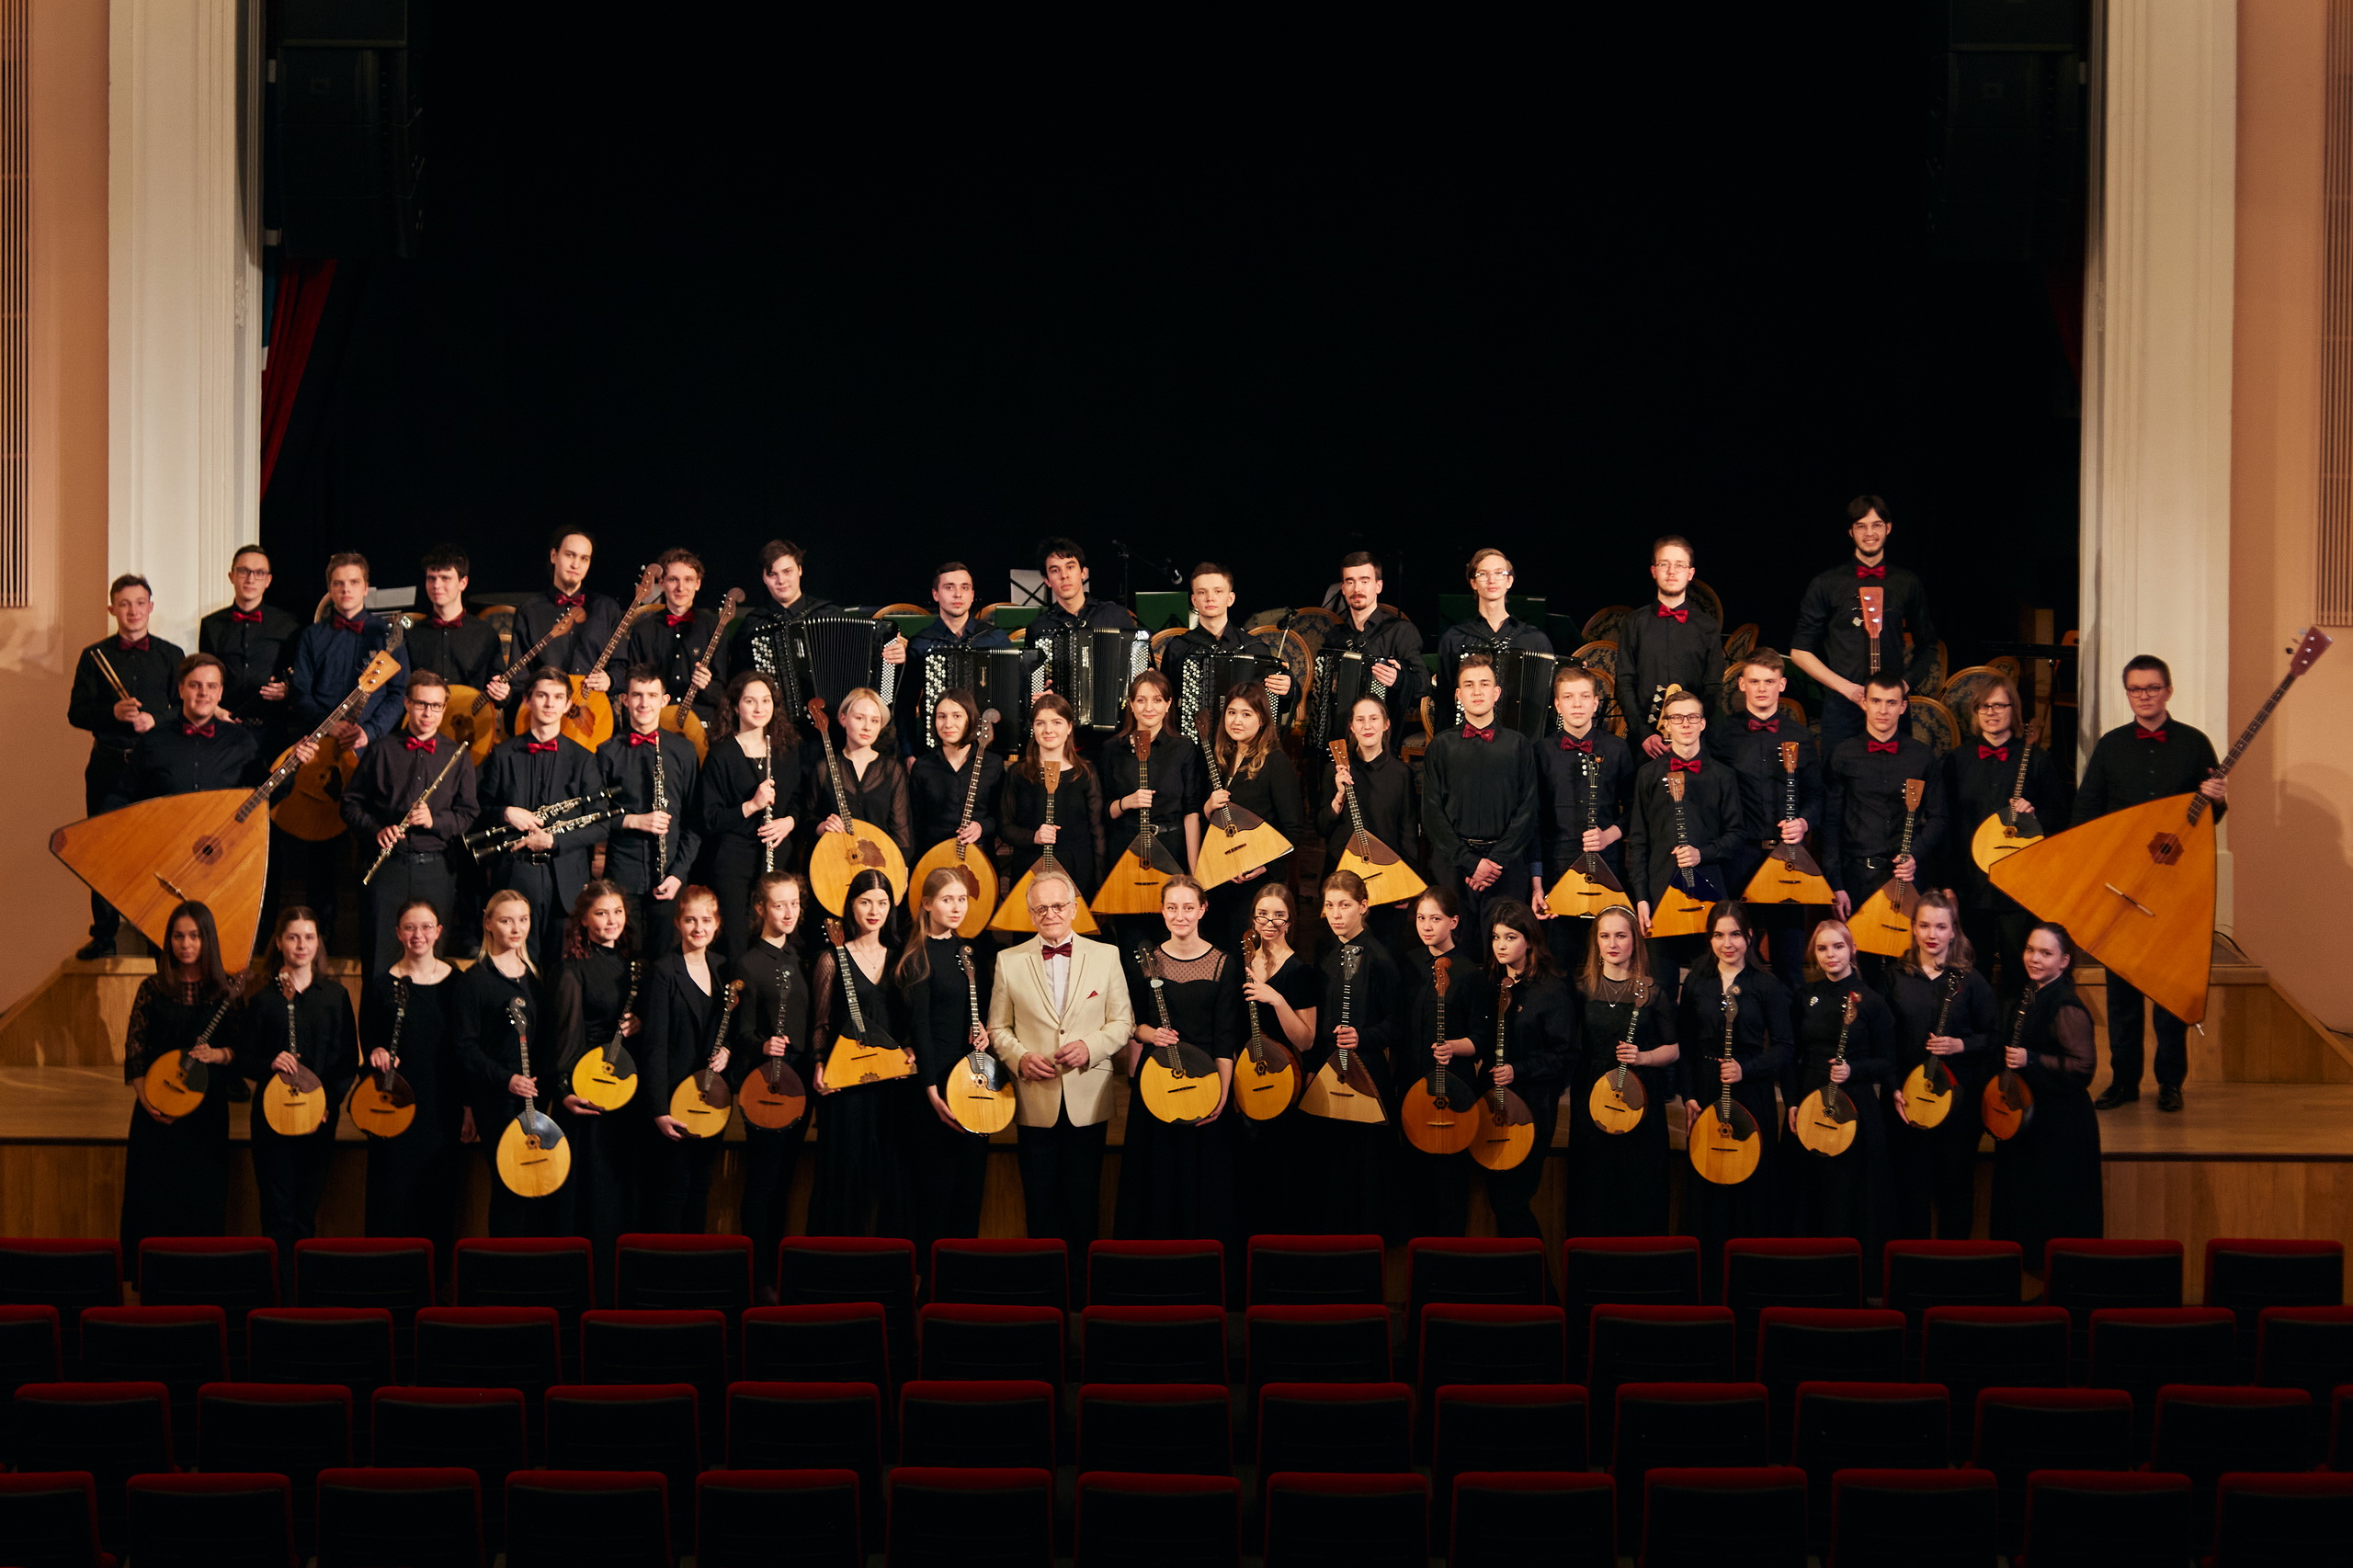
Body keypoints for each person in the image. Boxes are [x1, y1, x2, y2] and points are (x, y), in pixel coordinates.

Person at [2074, 654, 2224, 1114]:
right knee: (2121, 993)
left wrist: (2217, 800)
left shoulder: (2195, 743)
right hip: (2123, 884)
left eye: (2152, 688)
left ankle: (2170, 1083)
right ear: (2127, 693)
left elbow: (2209, 819)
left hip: (2175, 884)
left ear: (2168, 691)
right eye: (2136, 689)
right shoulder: (2111, 745)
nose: (2144, 696)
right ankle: (2123, 1082)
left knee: (2167, 991)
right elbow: (2087, 813)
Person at [987, 869, 1133, 1271]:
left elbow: (1123, 1022)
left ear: (1073, 909)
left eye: (1057, 906)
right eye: (1041, 909)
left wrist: (1090, 1047)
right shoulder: (1008, 961)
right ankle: (1044, 1286)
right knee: (1040, 1206)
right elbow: (997, 1028)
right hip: (1035, 1099)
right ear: (1030, 914)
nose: (1049, 914)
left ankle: (1084, 1289)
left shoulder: (1107, 955)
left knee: (1084, 1204)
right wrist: (1019, 1057)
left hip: (1089, 1098)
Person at [285, 552, 414, 948]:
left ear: (366, 588)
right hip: (323, 753)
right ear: (330, 588)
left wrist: (368, 732)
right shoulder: (312, 636)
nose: (345, 590)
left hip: (368, 752)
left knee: (371, 840)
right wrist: (330, 725)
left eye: (353, 582)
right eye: (338, 583)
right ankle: (321, 940)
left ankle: (373, 938)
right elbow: (300, 694)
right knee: (321, 847)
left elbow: (398, 693)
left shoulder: (388, 635)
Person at [1117, 875, 1241, 1244]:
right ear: (1162, 911)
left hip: (1205, 1082)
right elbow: (1131, 1023)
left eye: (1188, 907)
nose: (1180, 915)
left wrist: (1223, 1095)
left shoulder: (1224, 964)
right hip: (1155, 1081)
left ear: (1203, 909)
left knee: (1202, 1179)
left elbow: (1225, 1037)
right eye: (1172, 907)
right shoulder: (1146, 961)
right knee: (1154, 1175)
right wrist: (1149, 1034)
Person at [119, 901, 239, 1278]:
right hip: (156, 1112)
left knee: (201, 1201)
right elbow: (135, 1051)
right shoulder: (153, 988)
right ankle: (152, 1283)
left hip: (205, 1116)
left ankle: (198, 1283)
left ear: (207, 940)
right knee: (153, 1201)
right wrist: (149, 1102)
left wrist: (219, 1054)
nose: (185, 944)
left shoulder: (224, 992)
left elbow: (243, 1050)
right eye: (178, 936)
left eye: (194, 936)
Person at [1677, 902, 1791, 1296]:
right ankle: (1706, 1285)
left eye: (1735, 935)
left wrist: (1749, 1069)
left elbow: (1784, 1048)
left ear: (1750, 937)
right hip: (1708, 1088)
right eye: (1719, 935)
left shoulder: (1767, 985)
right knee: (1708, 1184)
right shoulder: (1697, 982)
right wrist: (1689, 1095)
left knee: (1751, 1185)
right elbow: (1686, 1045)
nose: (1727, 944)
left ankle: (1751, 1284)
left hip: (1751, 1089)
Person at [69, 574, 185, 957]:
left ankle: (158, 935)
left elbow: (185, 708)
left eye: (139, 603)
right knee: (103, 851)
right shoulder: (93, 656)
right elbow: (76, 713)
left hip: (154, 766)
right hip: (109, 764)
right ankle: (104, 936)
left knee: (157, 851)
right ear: (112, 609)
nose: (133, 611)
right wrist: (112, 713)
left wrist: (156, 719)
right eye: (124, 604)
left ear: (151, 607)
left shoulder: (171, 655)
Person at [242, 905, 358, 1272]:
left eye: (309, 937)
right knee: (276, 1213)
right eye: (293, 937)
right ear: (279, 942)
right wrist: (270, 1062)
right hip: (271, 1121)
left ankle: (302, 1292)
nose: (302, 945)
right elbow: (244, 1059)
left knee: (306, 1213)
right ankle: (277, 1290)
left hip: (319, 1120)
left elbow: (346, 1061)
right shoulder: (263, 1000)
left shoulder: (335, 996)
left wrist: (327, 1105)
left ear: (318, 942)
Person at [342, 671, 480, 975]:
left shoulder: (457, 755)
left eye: (435, 706)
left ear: (444, 708)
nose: (428, 713)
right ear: (407, 704)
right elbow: (351, 804)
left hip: (435, 870)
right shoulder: (381, 749)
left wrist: (435, 821)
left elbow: (469, 813)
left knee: (429, 966)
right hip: (387, 866)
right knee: (379, 962)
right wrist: (376, 830)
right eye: (421, 704)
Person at [1942, 673, 2071, 994]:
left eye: (2000, 705)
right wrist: (1947, 884)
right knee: (1972, 973)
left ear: (2014, 710)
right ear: (1976, 712)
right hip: (1971, 884)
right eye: (1984, 706)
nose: (1992, 712)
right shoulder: (1956, 761)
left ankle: (2017, 1026)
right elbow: (1947, 825)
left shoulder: (2037, 760)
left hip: (2019, 886)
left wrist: (2033, 815)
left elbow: (2059, 817)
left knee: (2018, 970)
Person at [1881, 891, 1998, 1243]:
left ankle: (1953, 1268)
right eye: (1924, 926)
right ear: (1913, 928)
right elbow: (1883, 1043)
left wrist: (1961, 1045)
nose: (1932, 934)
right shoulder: (1894, 977)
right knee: (1911, 1190)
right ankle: (1911, 1268)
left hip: (1958, 1101)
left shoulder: (1971, 980)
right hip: (1907, 1101)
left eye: (1941, 927)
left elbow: (1995, 1038)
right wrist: (1892, 1087)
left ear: (1953, 931)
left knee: (1955, 1189)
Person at [1704, 648, 1823, 991]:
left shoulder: (1801, 736)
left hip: (1788, 857)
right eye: (1754, 681)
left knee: (1790, 957)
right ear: (1742, 684)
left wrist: (1804, 823)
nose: (1761, 689)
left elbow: (1817, 795)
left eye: (1769, 681)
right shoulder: (1721, 733)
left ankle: (1790, 1024)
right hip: (1739, 855)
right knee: (1737, 957)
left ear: (1782, 684)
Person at [895, 869, 996, 1268]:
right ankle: (928, 1281)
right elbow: (920, 1027)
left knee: (971, 1187)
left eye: (961, 899)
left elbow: (980, 1010)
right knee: (935, 1190)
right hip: (933, 1085)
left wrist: (983, 1031)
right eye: (947, 899)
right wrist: (931, 1091)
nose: (956, 907)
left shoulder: (971, 952)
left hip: (973, 1080)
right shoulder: (917, 955)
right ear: (926, 904)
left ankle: (961, 1276)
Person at [1989, 922, 2104, 1267]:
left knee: (2055, 1211)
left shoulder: (2066, 1004)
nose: (2034, 958)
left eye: (2045, 953)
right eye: (2030, 950)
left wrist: (2032, 1059)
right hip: (2029, 1118)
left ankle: (2057, 1286)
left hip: (2060, 1125)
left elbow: (2083, 1067)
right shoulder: (2030, 992)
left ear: (2064, 961)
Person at [478, 669, 611, 965]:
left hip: (564, 879)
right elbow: (478, 810)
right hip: (515, 873)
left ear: (567, 705)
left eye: (558, 697)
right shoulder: (503, 755)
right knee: (514, 965)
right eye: (542, 696)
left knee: (562, 971)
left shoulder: (584, 758)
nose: (550, 704)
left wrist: (554, 841)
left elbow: (601, 823)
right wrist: (505, 813)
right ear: (527, 701)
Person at [453, 890, 565, 1237]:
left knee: (539, 1188)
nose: (516, 928)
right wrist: (506, 1079)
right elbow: (465, 1048)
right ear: (488, 923)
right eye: (506, 920)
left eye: (523, 920)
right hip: (496, 1101)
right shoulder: (474, 980)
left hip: (535, 1100)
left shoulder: (535, 978)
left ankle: (534, 1264)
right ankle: (503, 1264)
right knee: (510, 1189)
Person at [1789, 494, 1938, 755]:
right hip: (1842, 707)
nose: (1870, 533)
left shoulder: (1907, 582)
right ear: (1851, 531)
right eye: (1861, 526)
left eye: (1876, 525)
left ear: (1888, 528)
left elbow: (1928, 645)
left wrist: (1903, 686)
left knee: (1897, 773)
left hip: (1892, 706)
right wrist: (1847, 689)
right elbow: (1800, 651)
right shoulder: (1826, 584)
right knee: (1837, 775)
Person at [1564, 904, 1680, 1238]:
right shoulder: (1581, 989)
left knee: (1639, 1186)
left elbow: (1674, 1049)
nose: (1612, 944)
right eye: (1605, 936)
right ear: (1596, 942)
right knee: (1593, 1185)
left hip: (1640, 1095)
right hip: (1591, 1094)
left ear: (1634, 941)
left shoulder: (1653, 992)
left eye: (1620, 935)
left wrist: (1644, 1057)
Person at [1781, 918, 1894, 1260]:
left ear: (1853, 949)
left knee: (1846, 1192)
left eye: (1838, 946)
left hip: (1854, 1103)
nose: (1830, 954)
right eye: (1822, 948)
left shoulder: (1872, 1001)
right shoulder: (1805, 996)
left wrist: (1854, 1070)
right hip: (1809, 1099)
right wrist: (1792, 1101)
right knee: (1809, 1188)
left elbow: (1888, 1061)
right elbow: (1791, 1055)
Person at [550, 881, 643, 1290]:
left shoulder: (633, 965)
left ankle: (620, 1285)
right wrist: (564, 1091)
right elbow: (565, 1038)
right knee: (593, 1194)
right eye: (602, 913)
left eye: (617, 912)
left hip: (625, 1093)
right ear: (584, 921)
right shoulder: (571, 969)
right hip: (587, 1096)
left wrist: (640, 1023)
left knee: (623, 1190)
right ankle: (588, 1288)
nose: (611, 921)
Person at [360, 899, 467, 1256]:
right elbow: (370, 1041)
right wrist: (376, 1051)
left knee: (437, 1196)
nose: (417, 934)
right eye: (409, 927)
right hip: (393, 1105)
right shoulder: (381, 985)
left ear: (438, 932)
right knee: (390, 1195)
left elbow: (465, 1049)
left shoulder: (457, 983)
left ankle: (434, 1282)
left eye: (425, 927)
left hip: (443, 1106)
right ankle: (388, 1277)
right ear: (398, 933)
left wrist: (468, 1106)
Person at [809, 869, 912, 1237]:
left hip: (891, 1087)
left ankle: (887, 1264)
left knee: (889, 1178)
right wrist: (819, 1064)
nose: (874, 911)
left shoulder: (902, 957)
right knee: (843, 1174)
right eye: (865, 902)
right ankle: (835, 1262)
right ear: (851, 905)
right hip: (846, 1086)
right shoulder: (831, 958)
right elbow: (821, 1022)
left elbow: (909, 1021)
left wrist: (909, 1050)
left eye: (882, 903)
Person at [1823, 674, 1946, 983]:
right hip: (1857, 877)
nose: (1882, 710)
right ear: (1864, 702)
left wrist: (1914, 854)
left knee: (1907, 970)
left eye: (1891, 703)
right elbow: (1831, 823)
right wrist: (1835, 883)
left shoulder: (1921, 756)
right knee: (1860, 971)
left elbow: (1940, 817)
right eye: (1876, 701)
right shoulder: (1843, 755)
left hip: (1905, 878)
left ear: (1903, 707)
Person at [1302, 869, 1404, 1234]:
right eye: (1329, 905)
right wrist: (1312, 1067)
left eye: (1344, 905)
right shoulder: (1326, 951)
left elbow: (1396, 1023)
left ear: (1363, 906)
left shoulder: (1381, 958)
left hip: (1367, 1070)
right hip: (1328, 1070)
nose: (1335, 914)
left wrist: (1364, 1037)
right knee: (1330, 1160)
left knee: (1364, 1163)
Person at [1473, 900, 1577, 1241]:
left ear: (1530, 940)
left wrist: (1518, 1071)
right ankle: (1513, 1272)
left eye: (1510, 937)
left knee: (1513, 1202)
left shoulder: (1551, 990)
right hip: (1493, 1104)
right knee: (1498, 1199)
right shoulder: (1492, 982)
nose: (1501, 946)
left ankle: (1537, 1274)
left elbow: (1564, 1055)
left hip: (1533, 1105)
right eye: (1496, 937)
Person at [732, 871, 813, 1301]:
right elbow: (741, 1032)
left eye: (794, 904)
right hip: (764, 1081)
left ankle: (778, 1276)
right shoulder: (748, 963)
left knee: (784, 1181)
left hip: (800, 1081)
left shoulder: (801, 958)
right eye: (779, 905)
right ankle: (757, 1277)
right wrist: (762, 1044)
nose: (788, 912)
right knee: (763, 1181)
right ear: (761, 909)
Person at [1626, 690, 1742, 979]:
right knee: (1661, 988)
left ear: (1703, 723)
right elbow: (1638, 841)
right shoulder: (1647, 775)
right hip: (1660, 893)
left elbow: (1736, 835)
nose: (1686, 723)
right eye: (1677, 718)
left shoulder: (1723, 775)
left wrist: (1702, 854)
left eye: (1692, 717)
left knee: (1710, 985)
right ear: (1666, 725)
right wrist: (1641, 898)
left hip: (1710, 897)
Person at [1421, 655, 1540, 932]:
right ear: (1458, 695)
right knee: (1455, 944)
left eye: (1484, 684)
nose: (1477, 691)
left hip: (1506, 865)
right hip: (1453, 864)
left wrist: (1495, 861)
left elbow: (1528, 811)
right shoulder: (1440, 747)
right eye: (1469, 685)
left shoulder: (1519, 746)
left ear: (1496, 693)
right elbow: (1431, 813)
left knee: (1503, 945)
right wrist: (1470, 863)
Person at [1532, 664, 1636, 972]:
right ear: (1557, 705)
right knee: (1560, 963)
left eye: (1584, 696)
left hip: (1607, 868)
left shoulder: (1618, 749)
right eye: (1568, 697)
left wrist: (1610, 835)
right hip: (1557, 868)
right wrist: (1537, 882)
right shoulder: (1541, 752)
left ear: (1596, 703)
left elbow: (1637, 811)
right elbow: (1533, 822)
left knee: (1608, 962)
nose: (1577, 704)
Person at [639, 885, 731, 1234]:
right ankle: (666, 1266)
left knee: (700, 1188)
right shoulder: (664, 971)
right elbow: (654, 1046)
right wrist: (659, 1110)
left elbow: (731, 1030)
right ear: (678, 923)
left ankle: (694, 1264)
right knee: (672, 1192)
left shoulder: (723, 969)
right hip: (674, 1102)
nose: (698, 927)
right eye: (691, 920)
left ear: (717, 923)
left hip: (711, 1100)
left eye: (706, 920)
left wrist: (728, 1051)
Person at [696, 668, 801, 962]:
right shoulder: (721, 754)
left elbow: (798, 799)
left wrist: (789, 822)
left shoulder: (786, 749)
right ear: (735, 706)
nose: (759, 708)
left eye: (766, 701)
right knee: (737, 942)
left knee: (778, 941)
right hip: (734, 863)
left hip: (778, 856)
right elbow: (709, 819)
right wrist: (752, 805)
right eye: (750, 701)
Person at [598, 665, 702, 961]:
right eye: (637, 695)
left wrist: (678, 874)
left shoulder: (684, 751)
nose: (644, 703)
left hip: (669, 876)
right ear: (625, 700)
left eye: (652, 695)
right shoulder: (607, 752)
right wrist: (633, 820)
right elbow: (594, 817)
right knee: (622, 960)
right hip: (622, 875)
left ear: (664, 700)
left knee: (666, 963)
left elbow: (695, 821)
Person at [1236, 881, 1320, 1244]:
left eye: (1278, 916)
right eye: (1262, 915)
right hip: (1247, 1083)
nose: (1269, 923)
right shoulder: (1243, 964)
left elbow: (1306, 1039)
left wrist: (1276, 999)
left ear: (1290, 921)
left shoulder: (1300, 971)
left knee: (1281, 1179)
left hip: (1286, 1083)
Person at [1313, 694, 1420, 960]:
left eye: (1374, 718)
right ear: (1351, 727)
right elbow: (1322, 828)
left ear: (1386, 724)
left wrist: (1406, 884)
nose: (1367, 725)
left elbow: (1408, 832)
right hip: (1342, 876)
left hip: (1388, 878)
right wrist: (1338, 796)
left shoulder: (1401, 774)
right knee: (1335, 957)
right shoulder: (1334, 770)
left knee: (1385, 956)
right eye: (1360, 720)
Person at [1199, 681, 1303, 946]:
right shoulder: (1221, 758)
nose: (1237, 721)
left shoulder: (1275, 761)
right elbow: (1209, 823)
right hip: (1220, 875)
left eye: (1246, 714)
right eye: (1232, 712)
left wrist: (1264, 866)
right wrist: (1208, 807)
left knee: (1245, 951)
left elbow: (1293, 828)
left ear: (1262, 720)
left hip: (1256, 882)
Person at [1097, 669, 1203, 927]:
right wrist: (1126, 802)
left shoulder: (1183, 748)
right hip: (1125, 846)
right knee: (1128, 929)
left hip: (1171, 845)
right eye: (1141, 700)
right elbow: (1103, 811)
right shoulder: (1112, 748)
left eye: (1157, 700)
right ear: (1131, 705)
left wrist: (1194, 872)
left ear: (1168, 704)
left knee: (1169, 927)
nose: (1149, 708)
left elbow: (1191, 811)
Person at [108, 654, 278, 809]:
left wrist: (288, 771)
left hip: (221, 833)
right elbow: (122, 795)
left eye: (212, 686)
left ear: (220, 693)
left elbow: (269, 796)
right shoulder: (153, 740)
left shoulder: (241, 741)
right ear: (181, 689)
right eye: (195, 685)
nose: (204, 693)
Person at [1162, 561, 1294, 733]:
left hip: (1243, 742)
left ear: (1230, 598)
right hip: (1191, 740)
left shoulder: (1254, 648)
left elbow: (1274, 706)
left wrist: (1288, 688)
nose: (1210, 598)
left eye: (1218, 591)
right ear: (1194, 600)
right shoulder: (1178, 648)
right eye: (1202, 592)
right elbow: (1166, 701)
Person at [1616, 535, 1722, 747]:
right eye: (1664, 564)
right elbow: (1624, 682)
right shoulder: (1634, 623)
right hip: (1645, 741)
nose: (1672, 571)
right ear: (1653, 571)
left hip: (1694, 741)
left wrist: (1692, 733)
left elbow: (1713, 688)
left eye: (1679, 565)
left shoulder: (1707, 627)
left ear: (1690, 573)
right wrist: (1643, 734)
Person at [998, 693, 1105, 904]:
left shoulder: (1086, 773)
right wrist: (1033, 837)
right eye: (1040, 723)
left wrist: (1100, 882)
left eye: (1057, 722)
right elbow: (1004, 827)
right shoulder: (1018, 773)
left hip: (1077, 870)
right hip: (1029, 868)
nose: (1048, 730)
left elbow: (1097, 831)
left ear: (1069, 727)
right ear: (1033, 727)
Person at [1434, 547, 1553, 730]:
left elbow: (1547, 702)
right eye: (1483, 574)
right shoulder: (1455, 638)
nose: (1491, 580)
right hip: (1467, 737)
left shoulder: (1535, 640)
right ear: (1473, 583)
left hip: (1521, 739)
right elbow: (1444, 701)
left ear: (1509, 581)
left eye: (1499, 573)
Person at [507, 529, 623, 719]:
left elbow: (622, 667)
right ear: (554, 556)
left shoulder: (607, 609)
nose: (576, 564)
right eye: (570, 555)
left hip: (594, 716)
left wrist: (610, 680)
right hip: (543, 715)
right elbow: (519, 676)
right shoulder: (530, 610)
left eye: (584, 558)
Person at [901, 561, 1016, 750]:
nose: (958, 594)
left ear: (972, 595)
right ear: (935, 594)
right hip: (936, 750)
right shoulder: (921, 643)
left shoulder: (995, 638)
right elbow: (905, 705)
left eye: (965, 587)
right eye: (949, 587)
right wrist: (909, 753)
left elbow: (1014, 695)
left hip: (987, 748)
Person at [806, 685, 912, 890]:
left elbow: (901, 832)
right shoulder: (823, 768)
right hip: (834, 870)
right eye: (860, 718)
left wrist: (900, 873)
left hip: (880, 872)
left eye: (875, 720)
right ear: (843, 719)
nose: (867, 727)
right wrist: (822, 826)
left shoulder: (892, 771)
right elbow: (807, 819)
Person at [198, 544, 300, 753]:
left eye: (259, 573)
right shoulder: (211, 625)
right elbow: (204, 676)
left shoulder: (289, 624)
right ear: (232, 576)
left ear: (268, 580)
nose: (251, 579)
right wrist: (214, 710)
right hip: (225, 728)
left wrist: (288, 690)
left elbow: (301, 675)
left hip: (273, 731)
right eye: (244, 571)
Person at [1323, 550, 1425, 732]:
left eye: (1364, 581)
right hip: (1340, 733)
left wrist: (1399, 679)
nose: (1357, 589)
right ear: (1343, 589)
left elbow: (1424, 684)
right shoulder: (1335, 636)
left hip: (1385, 733)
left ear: (1378, 586)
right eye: (1350, 582)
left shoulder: (1400, 631)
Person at [908, 687, 1004, 880]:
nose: (948, 724)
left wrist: (981, 826)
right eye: (941, 716)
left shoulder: (992, 764)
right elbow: (914, 823)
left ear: (971, 719)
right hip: (933, 860)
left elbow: (1002, 817)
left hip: (979, 862)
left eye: (957, 716)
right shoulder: (923, 766)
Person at [625, 549, 723, 726]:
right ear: (662, 583)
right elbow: (632, 685)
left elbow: (726, 690)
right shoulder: (643, 631)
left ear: (698, 584)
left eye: (688, 580)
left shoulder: (714, 628)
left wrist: (707, 686)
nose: (681, 588)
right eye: (673, 580)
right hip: (656, 722)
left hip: (703, 724)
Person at [404, 544, 501, 694]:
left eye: (445, 578)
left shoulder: (485, 634)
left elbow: (500, 687)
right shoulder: (412, 635)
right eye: (431, 578)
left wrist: (502, 693)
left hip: (471, 710)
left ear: (463, 583)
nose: (436, 585)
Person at [1031, 537, 1141, 637]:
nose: (1064, 575)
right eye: (1055, 570)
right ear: (1047, 580)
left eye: (1070, 567)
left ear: (1083, 572)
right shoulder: (1038, 627)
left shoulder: (1115, 614)